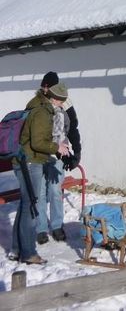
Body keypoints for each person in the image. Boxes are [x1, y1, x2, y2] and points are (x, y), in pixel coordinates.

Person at [10, 82, 70, 264]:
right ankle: (28, 253)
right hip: (30, 162)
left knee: (25, 205)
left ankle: (17, 249)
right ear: (54, 99)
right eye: (61, 102)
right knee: (30, 207)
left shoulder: (38, 107)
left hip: (26, 161)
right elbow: (37, 142)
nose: (62, 105)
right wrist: (57, 147)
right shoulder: (43, 112)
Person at [36, 72, 82, 244]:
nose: (44, 89)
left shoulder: (65, 103)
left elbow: (73, 129)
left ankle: (56, 226)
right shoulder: (37, 103)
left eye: (47, 86)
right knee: (39, 192)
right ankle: (41, 228)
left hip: (57, 156)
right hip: (40, 155)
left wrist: (76, 153)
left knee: (55, 191)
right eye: (44, 86)